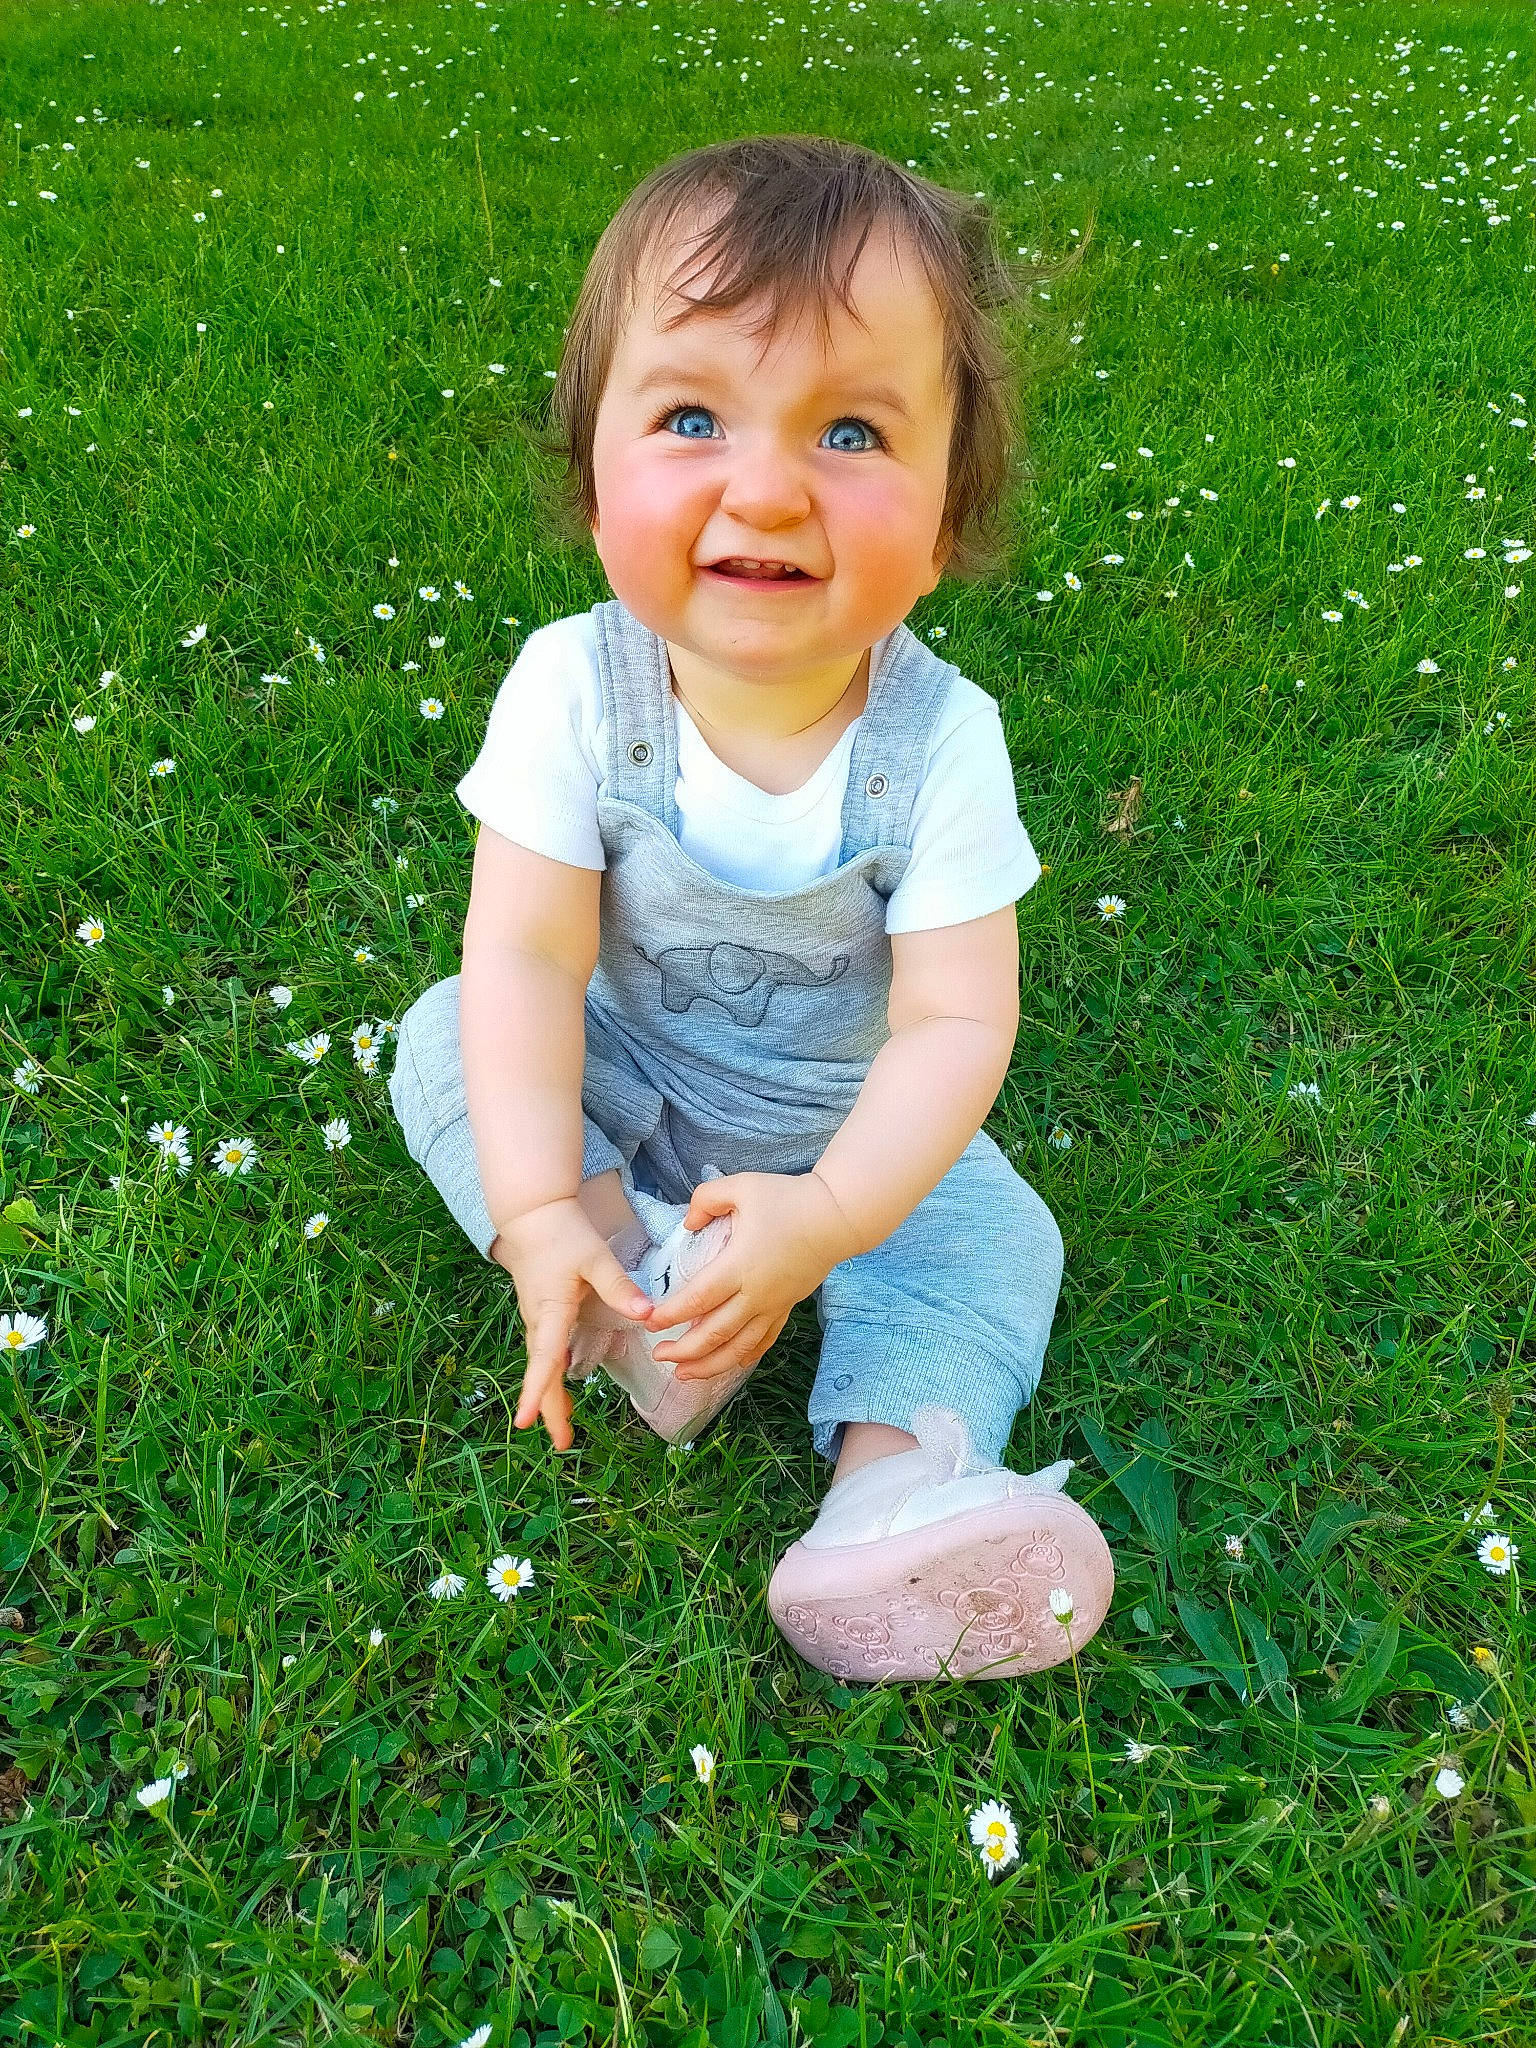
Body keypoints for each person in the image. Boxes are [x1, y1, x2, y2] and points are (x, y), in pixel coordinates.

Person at [389, 135, 1114, 1684]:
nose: (768, 488)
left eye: (850, 430)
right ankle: (625, 1275)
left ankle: (891, 1496)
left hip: (849, 1127)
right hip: (630, 1082)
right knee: (449, 1039)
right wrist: (537, 1204)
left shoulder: (943, 743)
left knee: (997, 1239)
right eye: (692, 418)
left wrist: (835, 1215)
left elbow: (955, 1021)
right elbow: (527, 955)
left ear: (946, 515)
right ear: (595, 476)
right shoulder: (571, 688)